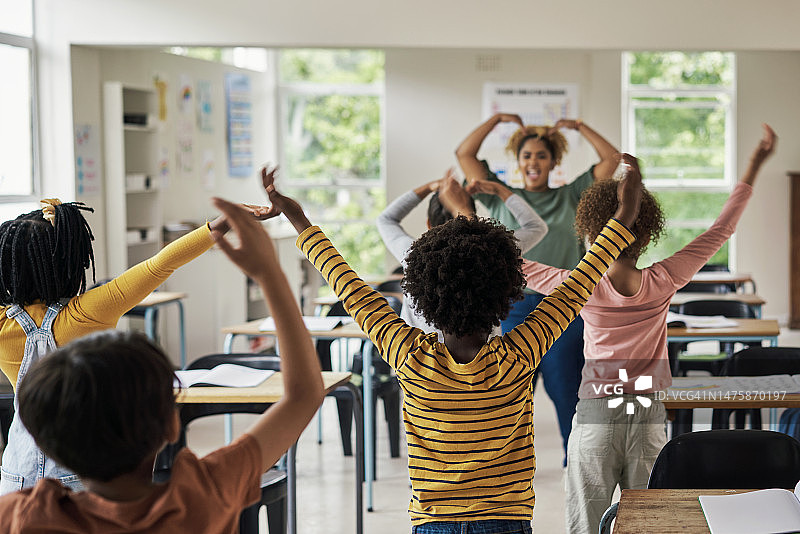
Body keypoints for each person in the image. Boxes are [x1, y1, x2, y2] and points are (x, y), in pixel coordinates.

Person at [256, 160, 642, 532]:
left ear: (422, 296)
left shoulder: (408, 354)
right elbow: (582, 279)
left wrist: (298, 219)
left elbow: (348, 284)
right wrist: (625, 212)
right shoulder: (519, 354)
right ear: (507, 294)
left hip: (433, 522)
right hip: (506, 521)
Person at [0, 196, 325, 533]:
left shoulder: (19, 515)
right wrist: (262, 265)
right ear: (172, 425)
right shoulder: (200, 497)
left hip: (16, 471)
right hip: (74, 480)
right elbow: (161, 264)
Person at [521, 124, 777, 534]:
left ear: (590, 231)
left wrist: (465, 211)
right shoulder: (664, 278)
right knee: (651, 524)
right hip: (647, 413)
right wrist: (754, 163)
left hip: (595, 415)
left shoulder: (580, 285)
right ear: (648, 232)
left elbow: (514, 266)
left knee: (585, 525)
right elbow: (722, 229)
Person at [456, 114, 620, 459]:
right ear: (518, 161)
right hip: (512, 308)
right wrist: (497, 120)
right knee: (510, 391)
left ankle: (574, 460)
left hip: (564, 309)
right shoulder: (502, 197)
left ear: (553, 161)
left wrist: (580, 127)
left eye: (541, 156)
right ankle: (503, 464)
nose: (533, 162)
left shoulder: (573, 195)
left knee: (565, 391)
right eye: (527, 155)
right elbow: (465, 155)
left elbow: (612, 160)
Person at [376, 167, 548, 338]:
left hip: (419, 361)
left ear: (429, 223)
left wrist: (429, 187)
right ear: (475, 217)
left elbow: (386, 219)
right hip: (484, 362)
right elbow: (536, 227)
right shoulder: (496, 249)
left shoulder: (413, 254)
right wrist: (499, 190)